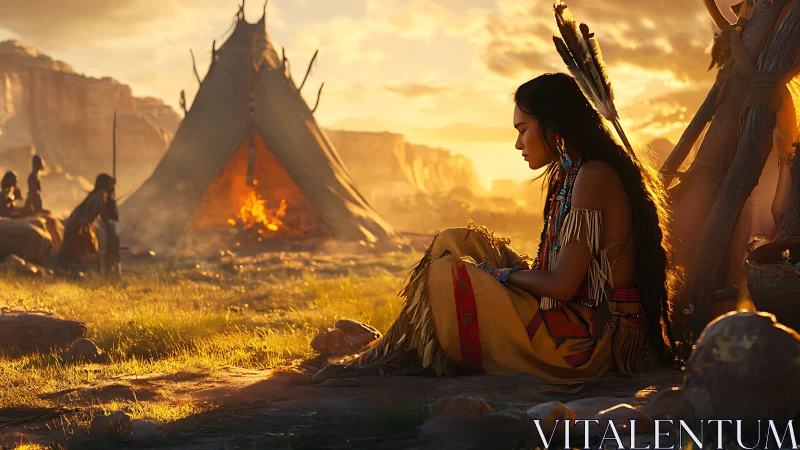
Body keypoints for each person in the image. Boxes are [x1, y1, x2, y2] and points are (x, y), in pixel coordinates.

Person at [317, 73, 675, 391]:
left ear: (553, 126)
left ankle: (385, 353)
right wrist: (503, 272)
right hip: (565, 317)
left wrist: (498, 274)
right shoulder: (573, 174)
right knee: (453, 240)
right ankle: (389, 347)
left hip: (584, 344)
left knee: (446, 275)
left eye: (523, 130)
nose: (518, 144)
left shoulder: (593, 175)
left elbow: (561, 286)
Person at [57, 173, 118, 271]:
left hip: (77, 228)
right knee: (88, 257)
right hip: (79, 230)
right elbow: (104, 217)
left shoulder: (95, 195)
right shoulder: (99, 196)